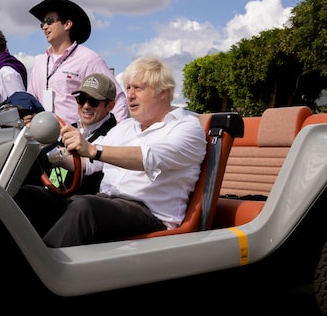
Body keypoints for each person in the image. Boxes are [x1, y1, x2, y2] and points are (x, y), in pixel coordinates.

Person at [15, 57, 205, 248]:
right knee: (28, 196)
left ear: (162, 92)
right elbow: (86, 163)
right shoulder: (126, 127)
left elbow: (149, 156)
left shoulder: (187, 128)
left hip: (151, 214)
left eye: (138, 88)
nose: (130, 95)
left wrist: (92, 149)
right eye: (128, 88)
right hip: (107, 203)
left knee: (85, 208)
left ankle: (40, 272)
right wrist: (41, 155)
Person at [27, 0, 128, 125]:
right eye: (43, 24)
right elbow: (32, 99)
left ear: (67, 24)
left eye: (50, 21)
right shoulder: (40, 63)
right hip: (44, 140)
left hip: (79, 140)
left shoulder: (89, 59)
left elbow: (117, 98)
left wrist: (116, 136)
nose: (45, 27)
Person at [34, 73, 120, 195]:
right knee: (24, 193)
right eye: (81, 99)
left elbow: (89, 163)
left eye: (94, 102)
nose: (86, 106)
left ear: (110, 106)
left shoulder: (115, 134)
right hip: (60, 193)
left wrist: (55, 159)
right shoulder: (71, 128)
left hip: (87, 200)